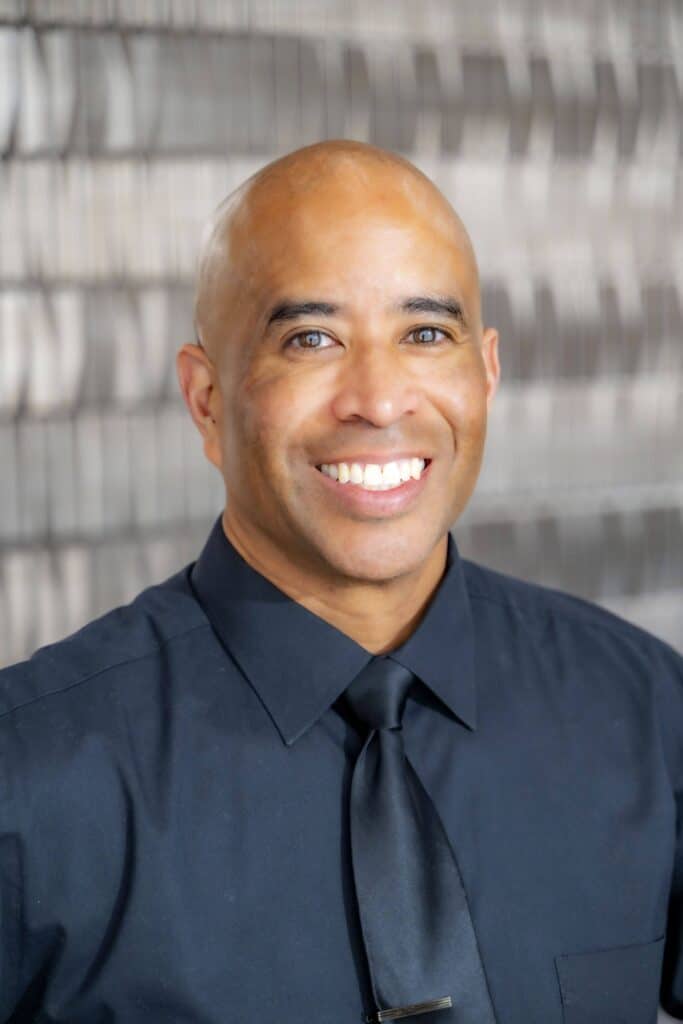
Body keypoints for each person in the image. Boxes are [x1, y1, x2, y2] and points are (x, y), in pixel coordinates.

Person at [0, 140, 681, 1024]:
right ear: (207, 400)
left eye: (425, 334)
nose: (379, 398)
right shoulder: (29, 777)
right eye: (311, 338)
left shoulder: (646, 713)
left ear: (486, 373)